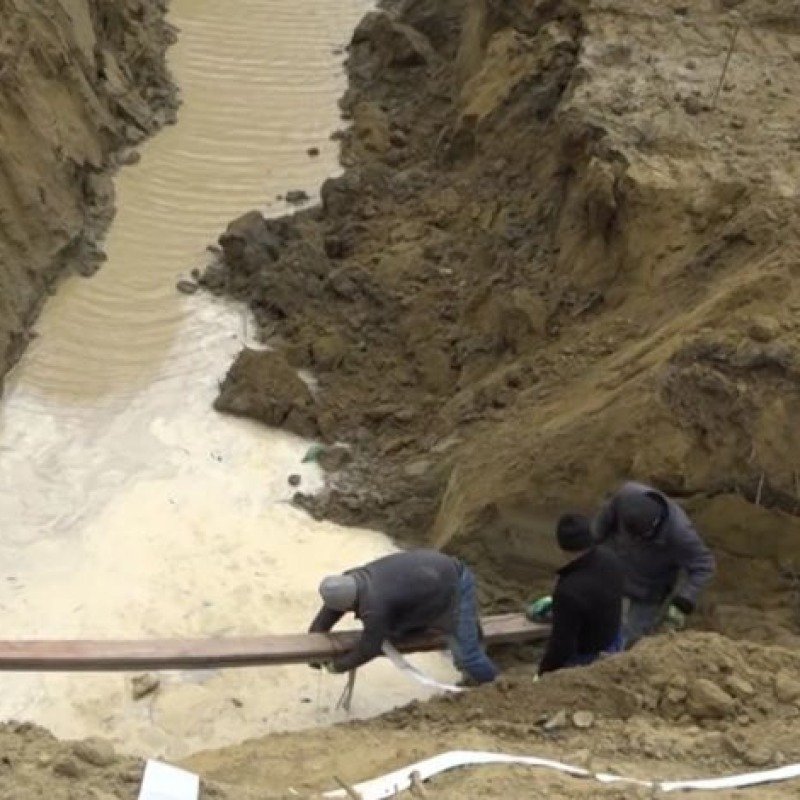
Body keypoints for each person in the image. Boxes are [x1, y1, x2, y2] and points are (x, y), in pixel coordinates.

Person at [308, 549, 498, 684]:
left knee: (467, 654)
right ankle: (474, 677)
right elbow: (329, 612)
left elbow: (369, 648)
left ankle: (496, 690)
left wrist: (338, 667)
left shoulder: (376, 606)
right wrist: (314, 648)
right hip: (427, 578)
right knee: (398, 632)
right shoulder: (350, 580)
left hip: (454, 582)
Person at [593, 481, 715, 646]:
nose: (635, 540)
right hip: (613, 570)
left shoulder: (680, 534)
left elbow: (704, 565)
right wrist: (590, 547)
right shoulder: (626, 495)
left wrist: (684, 601)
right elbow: (601, 524)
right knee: (593, 623)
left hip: (649, 588)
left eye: (641, 538)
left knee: (629, 641)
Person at [527, 514, 624, 675]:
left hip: (587, 657)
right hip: (613, 638)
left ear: (562, 547)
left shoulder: (569, 591)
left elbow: (561, 646)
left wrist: (543, 672)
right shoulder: (610, 558)